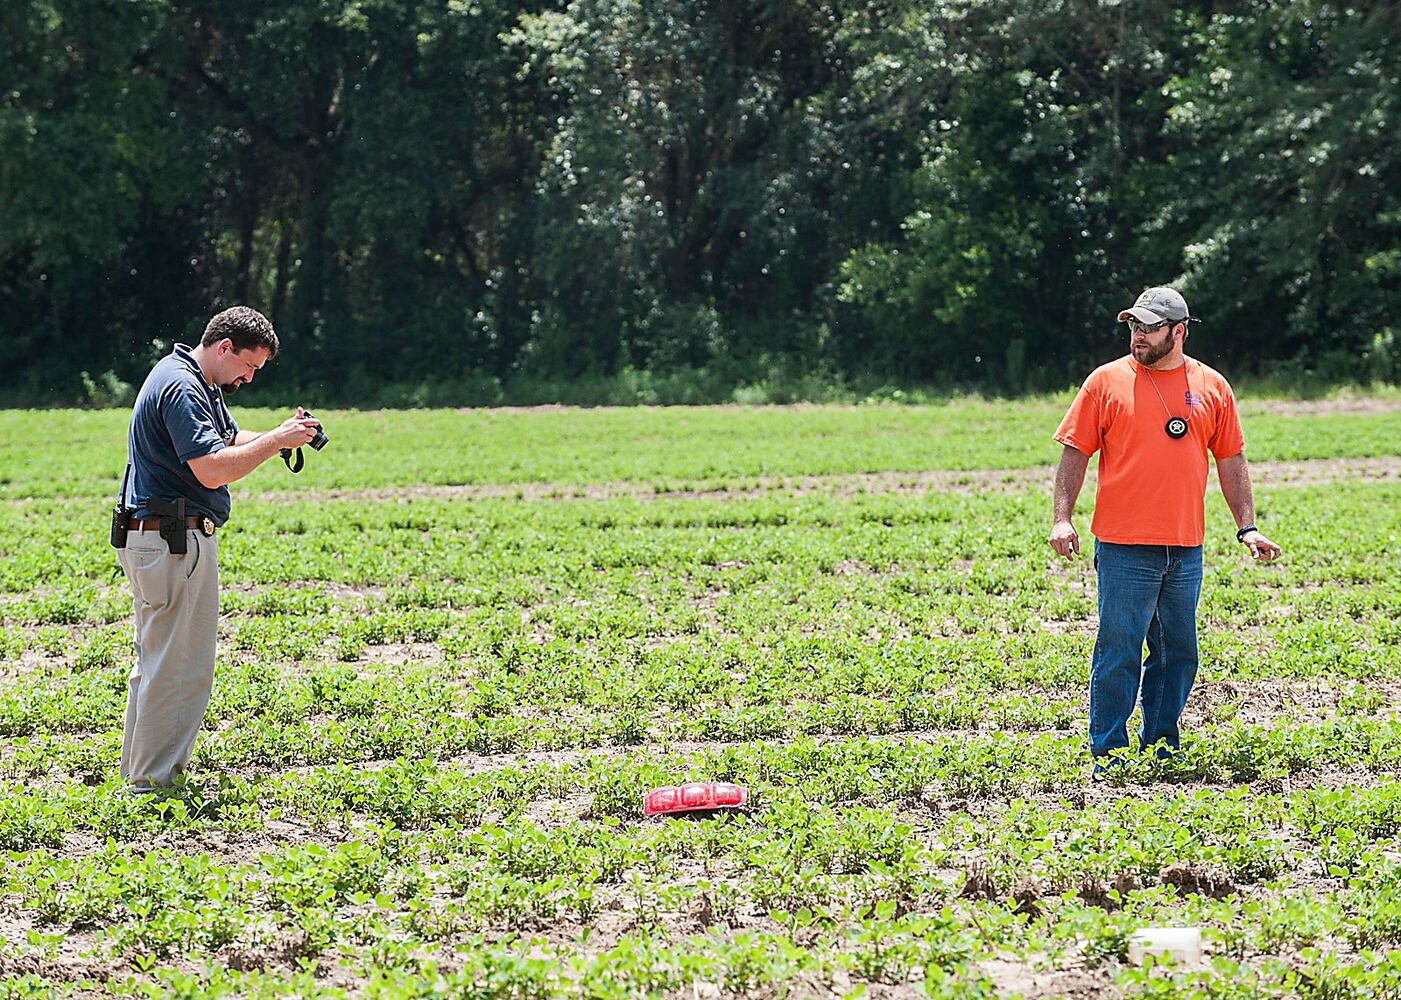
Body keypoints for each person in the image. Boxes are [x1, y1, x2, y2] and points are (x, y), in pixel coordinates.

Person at [1047, 286, 1281, 768]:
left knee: (1178, 654)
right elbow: (1075, 453)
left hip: (1184, 546)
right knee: (1119, 651)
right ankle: (1107, 752)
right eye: (1133, 325)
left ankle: (1160, 747)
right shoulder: (1105, 382)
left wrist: (1248, 528)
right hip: (1123, 546)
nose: (1137, 336)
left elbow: (1231, 460)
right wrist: (1062, 518)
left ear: (1179, 331)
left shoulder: (1213, 386)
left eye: (1149, 327)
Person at [115, 306, 321, 791]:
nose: (250, 377)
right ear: (224, 347)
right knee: (180, 666)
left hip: (158, 537)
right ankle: (153, 785)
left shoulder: (193, 378)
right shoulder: (183, 386)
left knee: (161, 661)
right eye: (249, 366)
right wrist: (275, 441)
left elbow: (226, 439)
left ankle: (141, 775)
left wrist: (287, 438)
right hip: (172, 539)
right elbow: (211, 468)